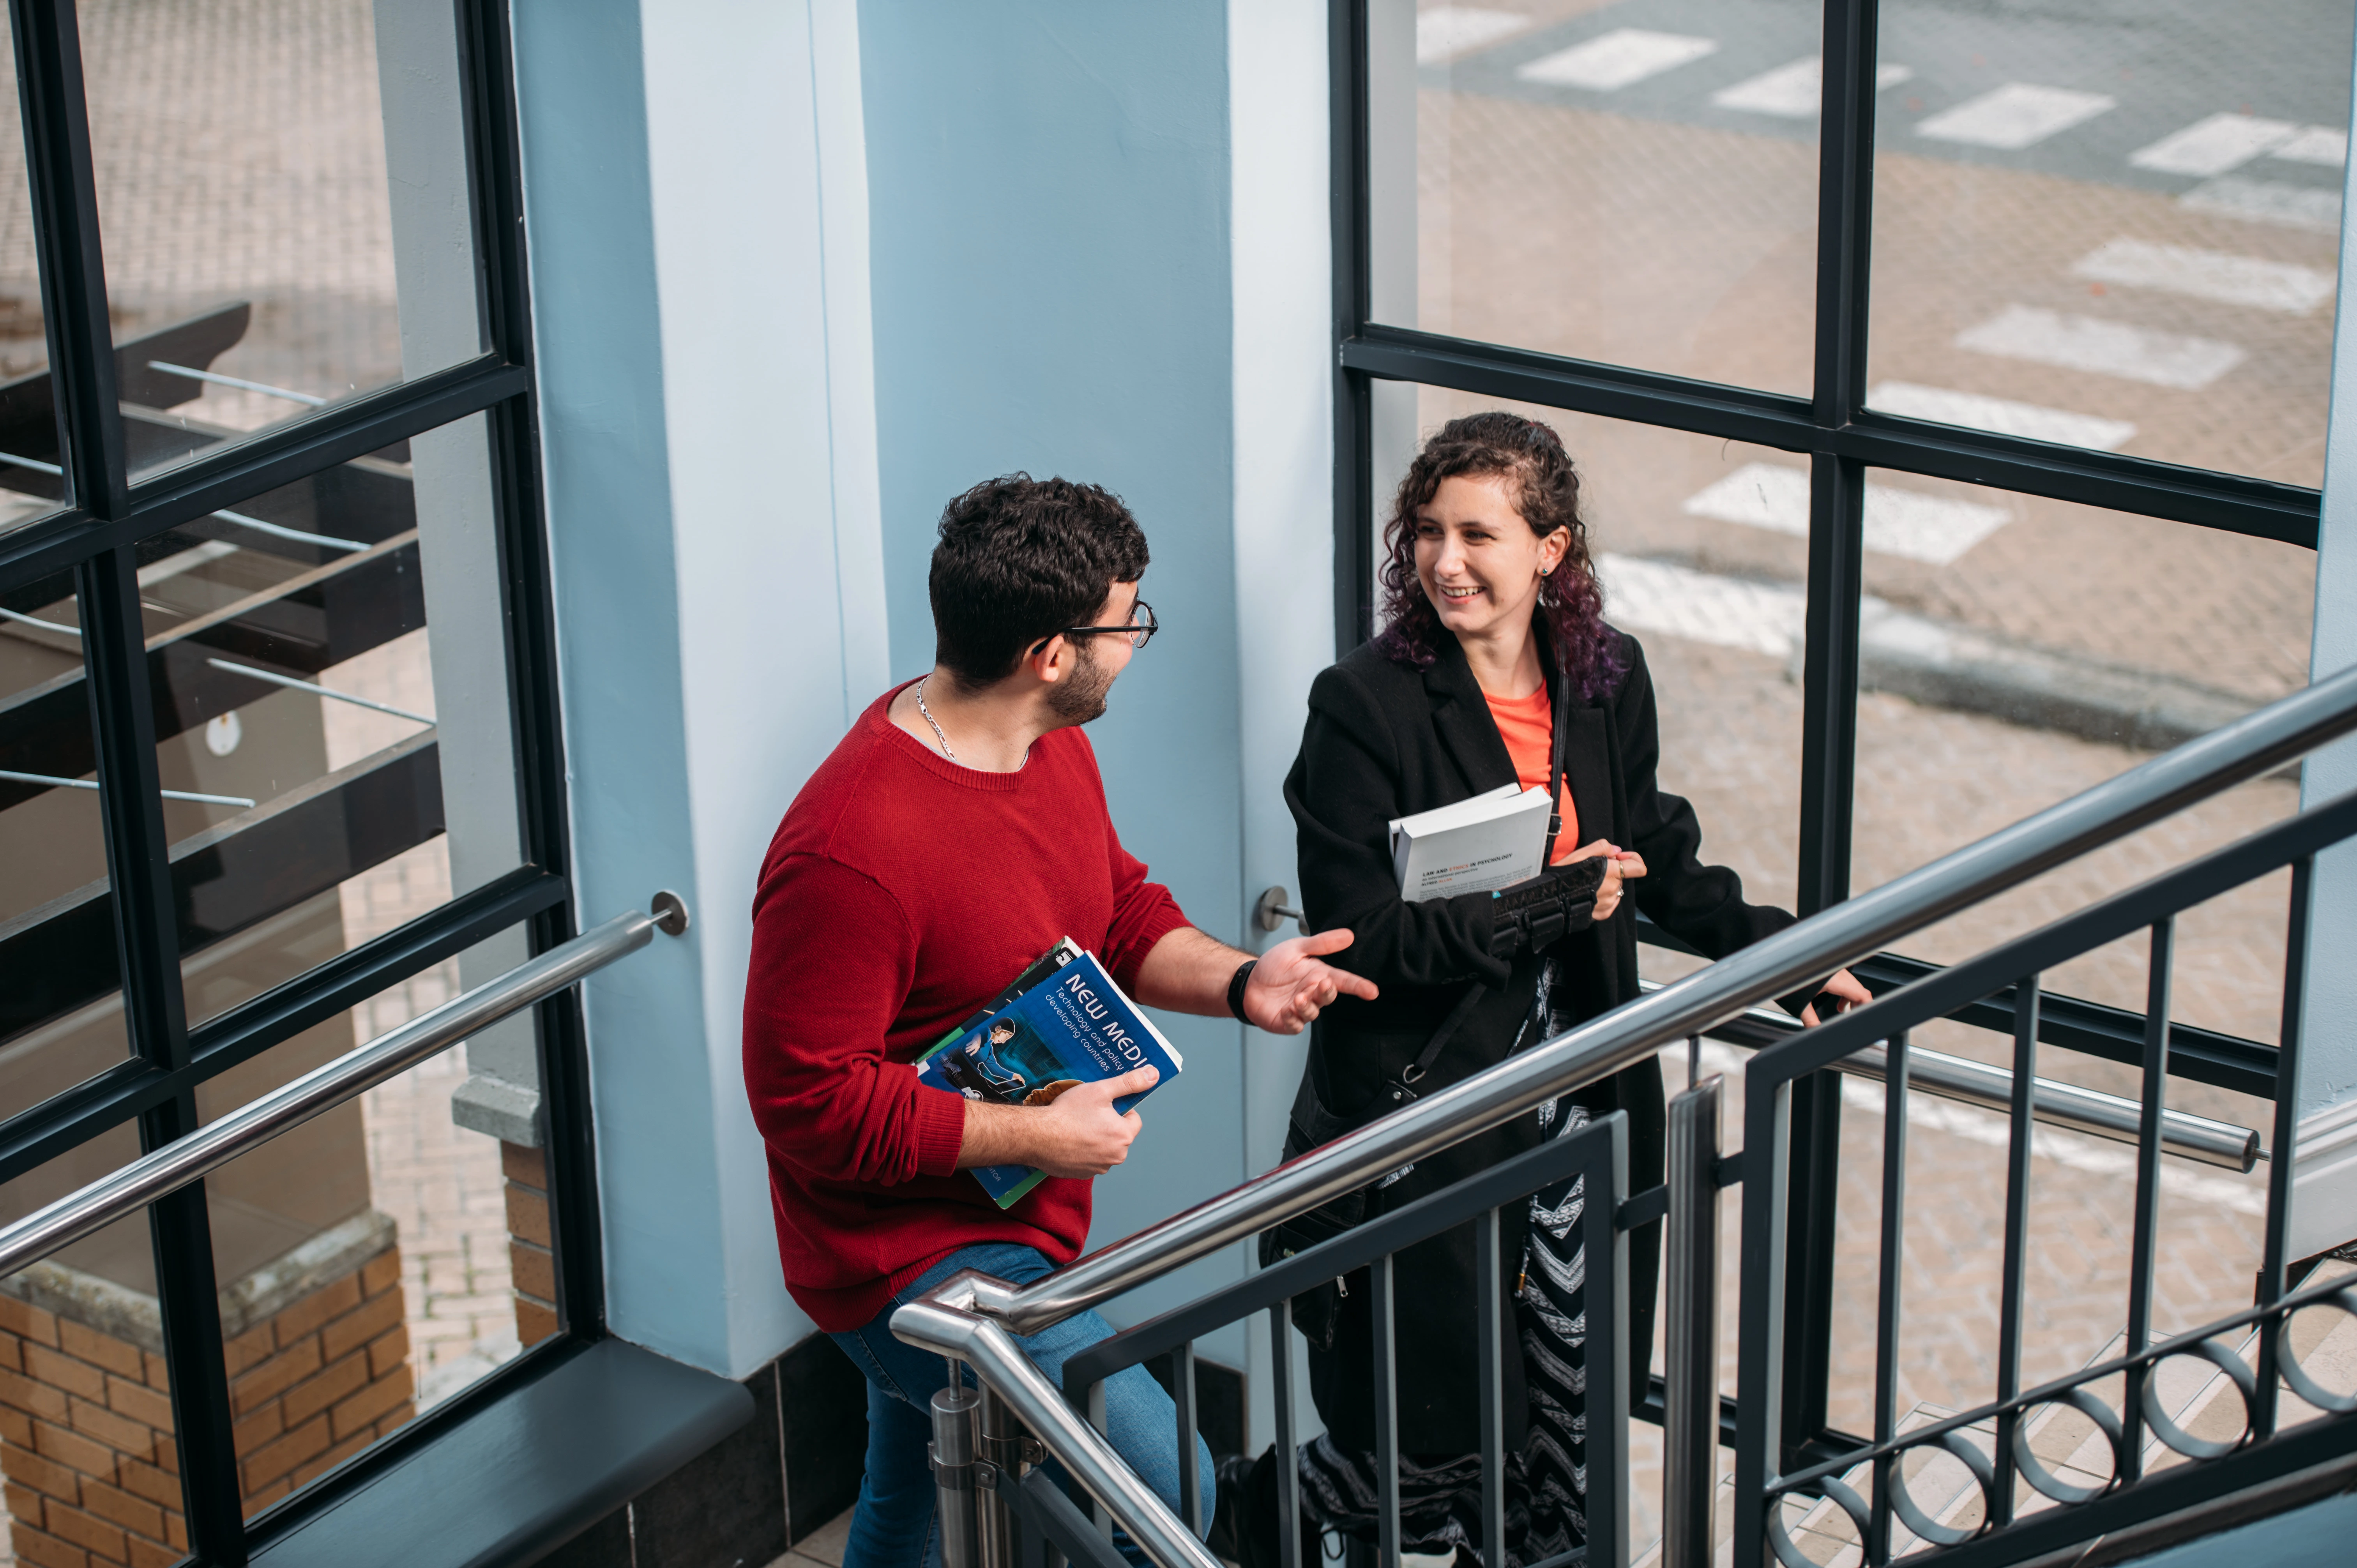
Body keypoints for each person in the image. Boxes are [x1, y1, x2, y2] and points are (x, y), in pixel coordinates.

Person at [1257, 412, 1868, 1563]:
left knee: (1567, 1421)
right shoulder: (1364, 704)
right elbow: (1361, 941)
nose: (1445, 561)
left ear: (1551, 549)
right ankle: (1282, 1516)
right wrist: (1547, 903)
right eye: (1427, 531)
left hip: (1579, 1104)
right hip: (1433, 1116)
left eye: (1477, 535)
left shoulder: (1604, 673)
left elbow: (1655, 848)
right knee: (1431, 1429)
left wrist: (1784, 956)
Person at [742, 474, 1379, 1568]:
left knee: (907, 1500)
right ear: (1049, 653)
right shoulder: (851, 852)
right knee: (1170, 1495)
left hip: (1010, 1217)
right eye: (1127, 622)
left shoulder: (1045, 744)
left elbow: (1113, 910)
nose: (1134, 643)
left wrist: (1244, 983)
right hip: (902, 1262)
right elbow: (807, 1102)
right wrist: (1035, 1133)